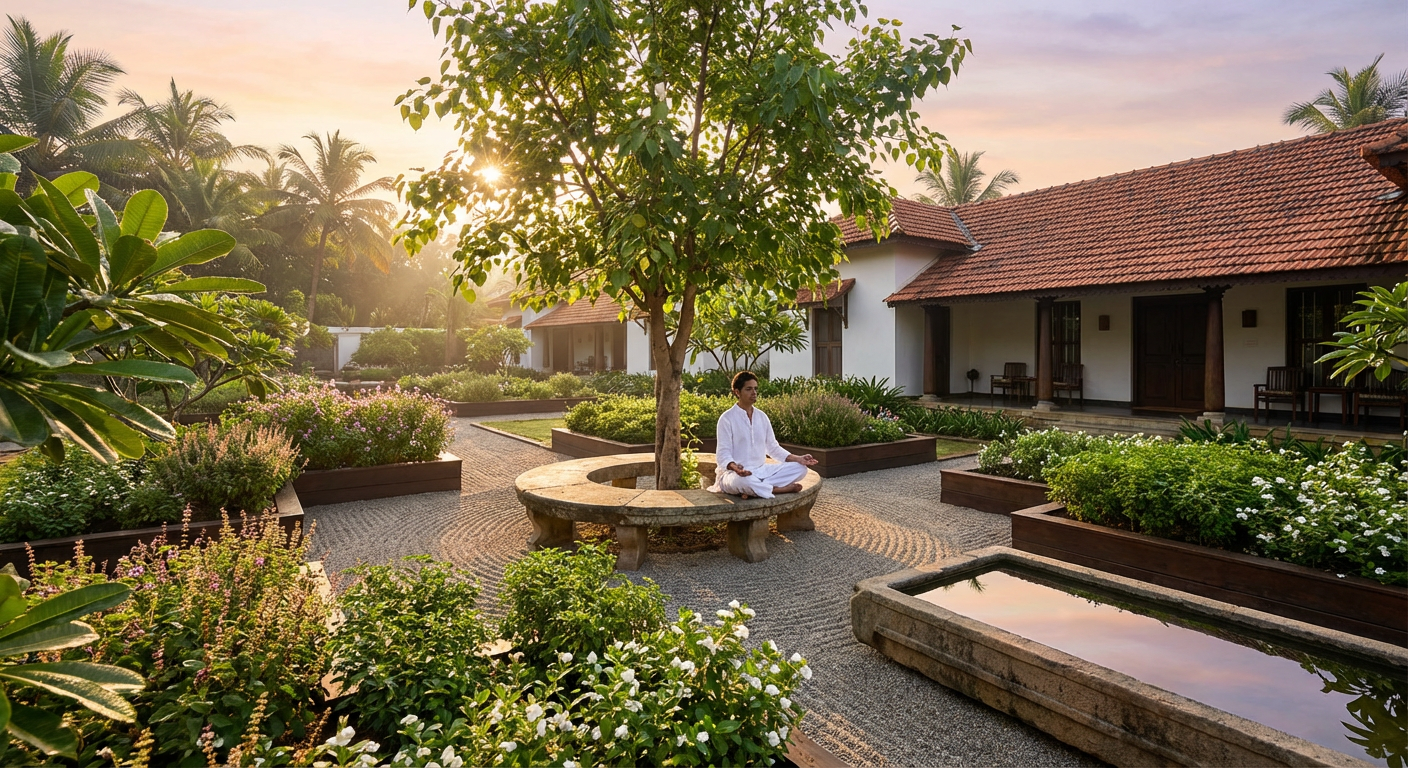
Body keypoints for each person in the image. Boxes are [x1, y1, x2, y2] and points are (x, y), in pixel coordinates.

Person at [708, 371, 818, 499]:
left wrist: (799, 459)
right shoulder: (726, 418)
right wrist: (735, 468)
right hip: (734, 474)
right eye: (749, 389)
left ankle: (754, 490)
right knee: (742, 481)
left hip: (761, 471)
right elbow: (723, 454)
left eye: (755, 389)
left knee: (800, 469)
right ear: (737, 392)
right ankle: (775, 489)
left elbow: (773, 448)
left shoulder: (762, 417)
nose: (754, 392)